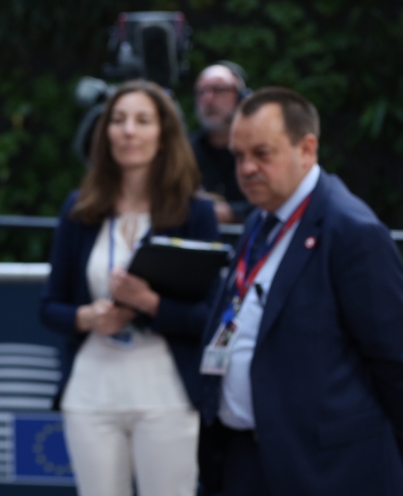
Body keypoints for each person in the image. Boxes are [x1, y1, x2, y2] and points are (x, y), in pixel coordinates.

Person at [198, 87, 403, 496]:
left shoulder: (352, 233)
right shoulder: (261, 219)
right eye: (239, 156)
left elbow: (394, 361)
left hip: (325, 471)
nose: (247, 168)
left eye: (262, 153)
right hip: (245, 460)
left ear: (307, 149)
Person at [39, 80, 220, 496]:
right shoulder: (79, 208)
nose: (128, 131)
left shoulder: (196, 213)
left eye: (142, 120)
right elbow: (49, 306)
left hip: (167, 394)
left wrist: (149, 303)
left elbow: (209, 318)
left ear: (164, 135)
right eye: (117, 120)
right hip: (91, 393)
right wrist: (88, 317)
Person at [190, 64, 252, 224]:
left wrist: (233, 213)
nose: (208, 99)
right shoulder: (185, 151)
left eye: (218, 90)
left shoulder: (260, 149)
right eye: (201, 92)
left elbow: (281, 199)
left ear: (241, 98)